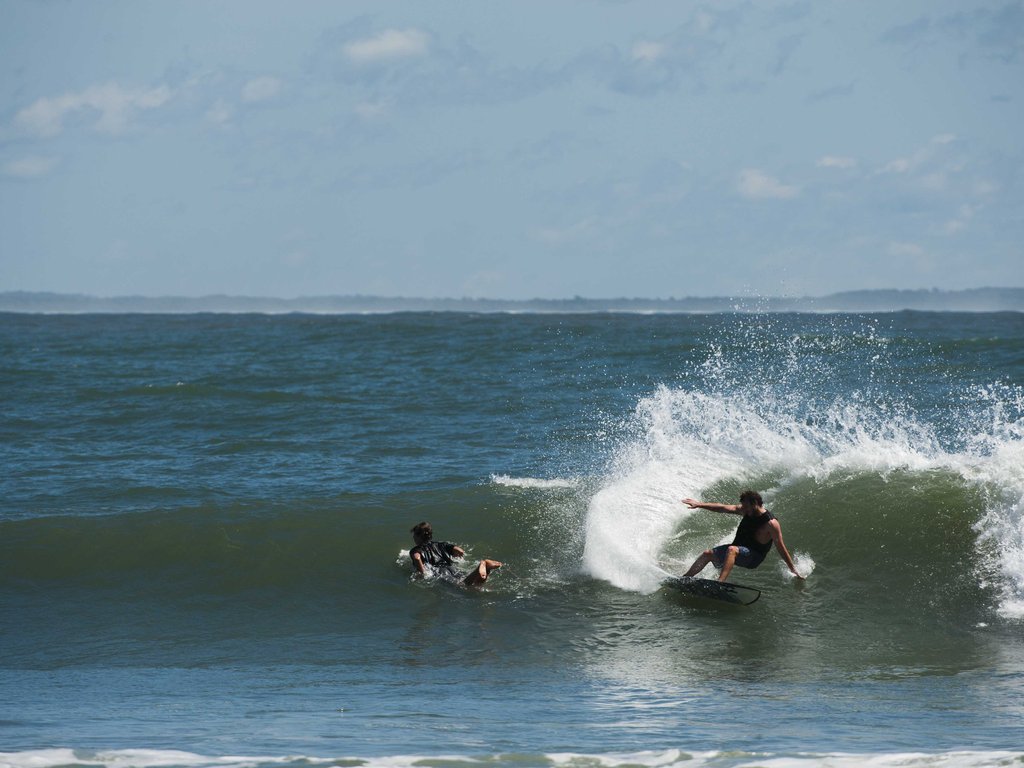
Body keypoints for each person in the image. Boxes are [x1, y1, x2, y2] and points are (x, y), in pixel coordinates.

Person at [681, 490, 803, 583]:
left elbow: (780, 547)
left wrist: (793, 569)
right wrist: (700, 504)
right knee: (708, 554)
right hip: (737, 550)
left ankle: (720, 583)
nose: (742, 509)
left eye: (745, 506)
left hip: (753, 557)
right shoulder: (747, 510)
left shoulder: (771, 523)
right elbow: (722, 508)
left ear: (755, 504)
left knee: (732, 549)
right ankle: (684, 579)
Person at [409, 521, 502, 587]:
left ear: (418, 536)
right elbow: (459, 550)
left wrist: (423, 574)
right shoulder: (440, 544)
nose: (413, 538)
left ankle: (481, 565)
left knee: (462, 585)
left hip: (440, 571)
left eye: (414, 536)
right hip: (451, 567)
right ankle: (487, 568)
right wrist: (458, 555)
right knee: (475, 585)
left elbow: (417, 558)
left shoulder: (415, 550)